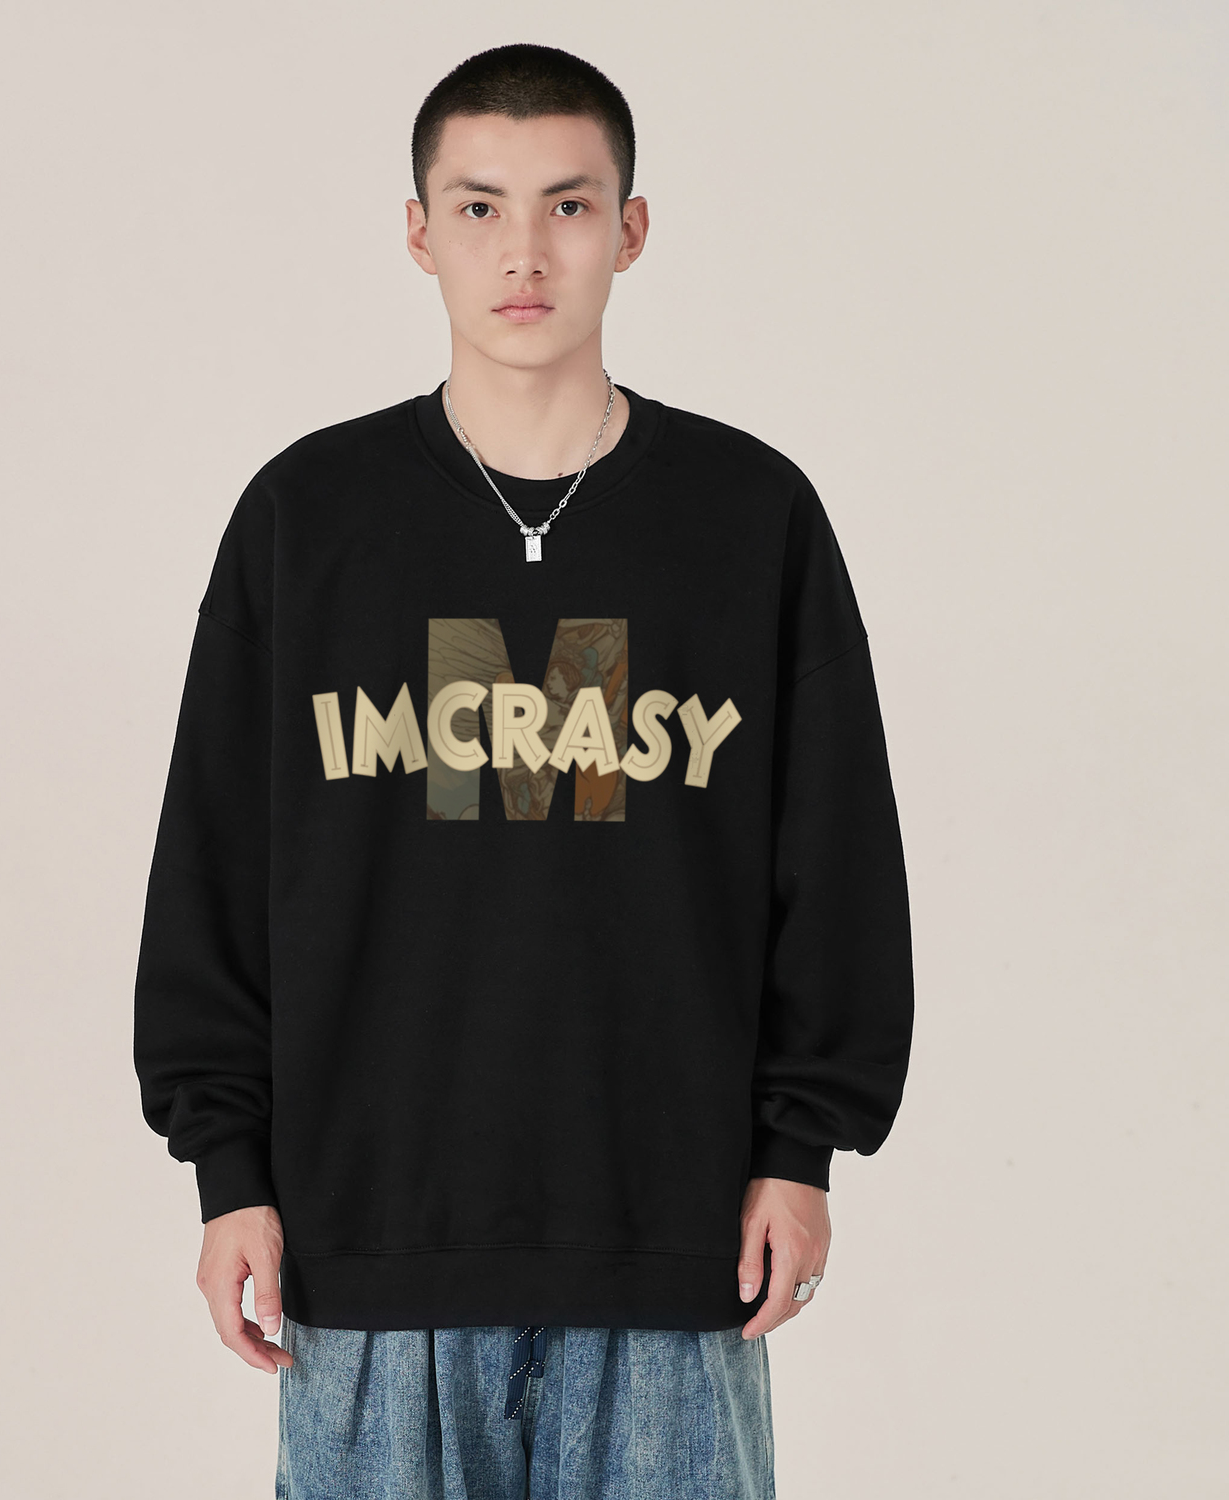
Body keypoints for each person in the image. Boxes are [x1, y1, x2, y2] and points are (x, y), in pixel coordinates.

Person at [133, 41, 914, 1500]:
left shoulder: (748, 515)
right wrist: (227, 1172)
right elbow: (215, 867)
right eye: (480, 207)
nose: (525, 253)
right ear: (419, 231)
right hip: (368, 1250)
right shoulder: (309, 516)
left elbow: (838, 861)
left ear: (630, 228)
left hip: (674, 1245)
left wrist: (801, 1150)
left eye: (569, 204)